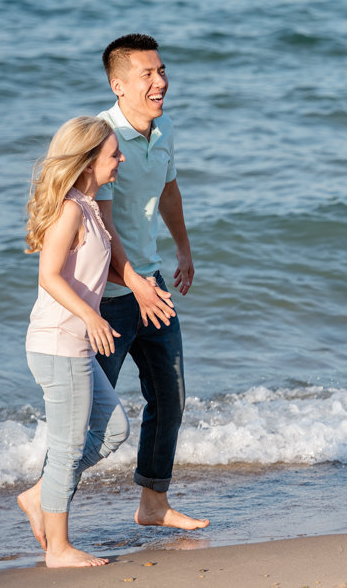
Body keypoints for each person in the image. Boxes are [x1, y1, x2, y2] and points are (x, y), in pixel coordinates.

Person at [93, 33, 209, 530]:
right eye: (148, 74)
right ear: (119, 85)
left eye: (162, 71)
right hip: (106, 296)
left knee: (170, 395)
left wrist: (182, 248)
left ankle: (153, 504)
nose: (160, 81)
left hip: (150, 283)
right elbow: (98, 225)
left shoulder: (164, 129)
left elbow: (168, 189)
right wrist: (134, 283)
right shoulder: (98, 137)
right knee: (91, 416)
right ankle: (47, 504)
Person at [16, 116, 131, 568]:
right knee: (66, 447)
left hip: (74, 346)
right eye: (112, 154)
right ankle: (58, 550)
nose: (120, 159)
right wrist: (90, 315)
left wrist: (137, 284)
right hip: (59, 344)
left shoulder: (89, 206)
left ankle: (39, 495)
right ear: (86, 162)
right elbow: (48, 276)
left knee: (115, 430)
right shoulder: (69, 209)